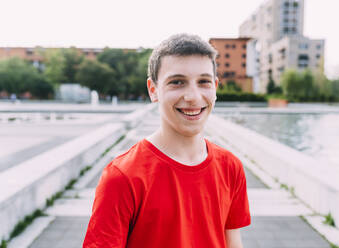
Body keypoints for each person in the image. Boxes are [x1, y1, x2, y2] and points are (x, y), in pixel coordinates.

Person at [83, 33, 251, 248]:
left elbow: (232, 243)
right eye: (177, 82)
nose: (193, 96)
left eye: (203, 82)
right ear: (153, 90)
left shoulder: (231, 167)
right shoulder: (122, 176)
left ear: (215, 88)